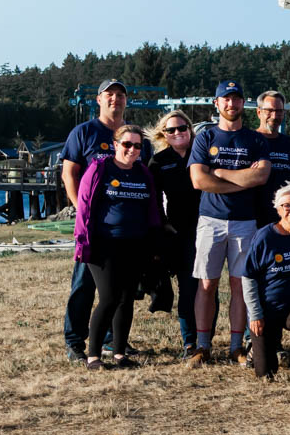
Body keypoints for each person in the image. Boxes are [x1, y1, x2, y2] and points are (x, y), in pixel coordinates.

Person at [59, 79, 152, 361]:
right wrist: (82, 213)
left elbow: (142, 177)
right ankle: (75, 341)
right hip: (94, 229)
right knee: (84, 285)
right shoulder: (84, 132)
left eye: (120, 95)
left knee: (120, 290)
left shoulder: (137, 138)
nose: (115, 99)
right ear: (98, 99)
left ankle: (113, 342)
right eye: (109, 94)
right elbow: (69, 174)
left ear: (126, 100)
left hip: (126, 233)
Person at [187, 80, 271, 367]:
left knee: (240, 285)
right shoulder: (205, 138)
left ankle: (236, 346)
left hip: (245, 222)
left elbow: (260, 177)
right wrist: (241, 180)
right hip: (211, 221)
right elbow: (199, 180)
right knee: (207, 284)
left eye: (236, 99)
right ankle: (202, 345)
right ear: (217, 103)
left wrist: (220, 173)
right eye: (226, 99)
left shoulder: (255, 140)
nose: (231, 104)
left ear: (243, 103)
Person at [73, 124, 162, 370]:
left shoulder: (143, 173)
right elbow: (84, 208)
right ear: (115, 145)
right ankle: (93, 356)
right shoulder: (100, 169)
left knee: (126, 299)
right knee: (109, 297)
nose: (132, 150)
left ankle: (120, 353)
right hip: (103, 244)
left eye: (137, 145)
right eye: (127, 144)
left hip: (135, 244)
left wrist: (154, 243)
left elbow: (152, 209)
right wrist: (83, 243)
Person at [240, 182, 290, 378]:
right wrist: (255, 314)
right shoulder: (265, 237)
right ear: (277, 209)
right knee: (265, 373)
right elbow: (248, 277)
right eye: (287, 205)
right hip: (268, 308)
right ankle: (255, 351)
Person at [149, 109, 201, 356]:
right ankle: (190, 342)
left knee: (208, 287)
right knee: (188, 288)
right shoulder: (158, 162)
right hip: (179, 231)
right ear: (164, 134)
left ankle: (206, 341)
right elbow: (153, 199)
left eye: (182, 128)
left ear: (190, 130)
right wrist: (163, 223)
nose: (178, 132)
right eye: (172, 130)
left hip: (207, 227)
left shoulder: (202, 154)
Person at [254, 91, 290, 227]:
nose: (274, 116)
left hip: (285, 217)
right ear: (259, 112)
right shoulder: (248, 141)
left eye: (279, 111)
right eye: (269, 111)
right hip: (253, 217)